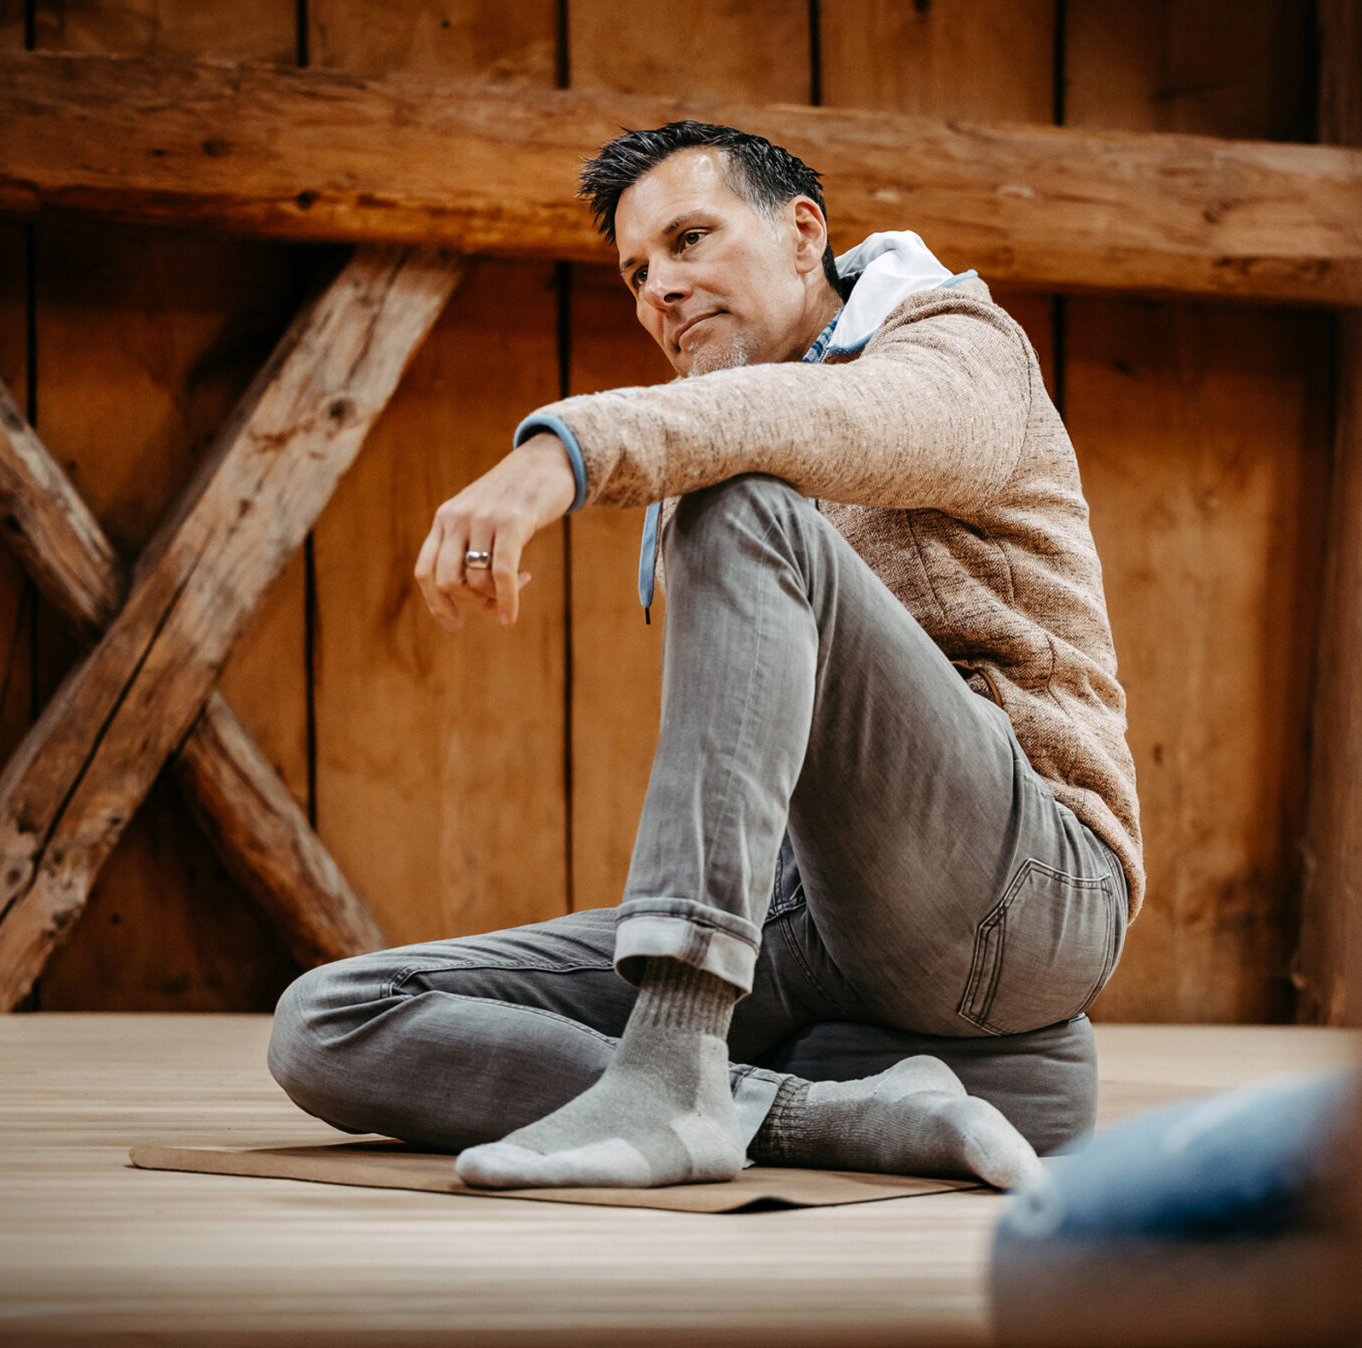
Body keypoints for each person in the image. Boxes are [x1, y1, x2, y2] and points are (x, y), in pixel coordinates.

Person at [264, 121, 1141, 1190]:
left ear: (801, 232)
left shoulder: (956, 349)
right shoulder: (733, 429)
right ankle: (835, 1111)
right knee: (331, 1017)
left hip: (1029, 891)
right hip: (826, 933)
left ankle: (678, 1065)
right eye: (636, 273)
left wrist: (568, 449)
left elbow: (850, 419)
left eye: (689, 240)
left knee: (743, 503)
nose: (659, 291)